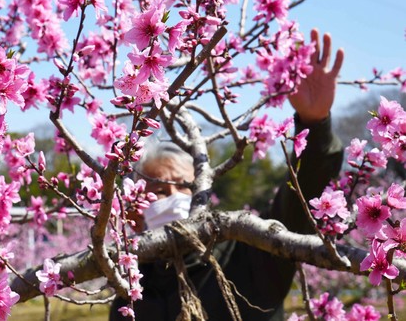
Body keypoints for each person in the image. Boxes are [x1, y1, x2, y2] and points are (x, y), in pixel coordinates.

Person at [110, 30, 345, 321]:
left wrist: (314, 124)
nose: (172, 197)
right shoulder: (132, 288)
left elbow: (300, 202)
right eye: (158, 190)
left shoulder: (248, 253)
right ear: (133, 215)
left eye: (184, 186)